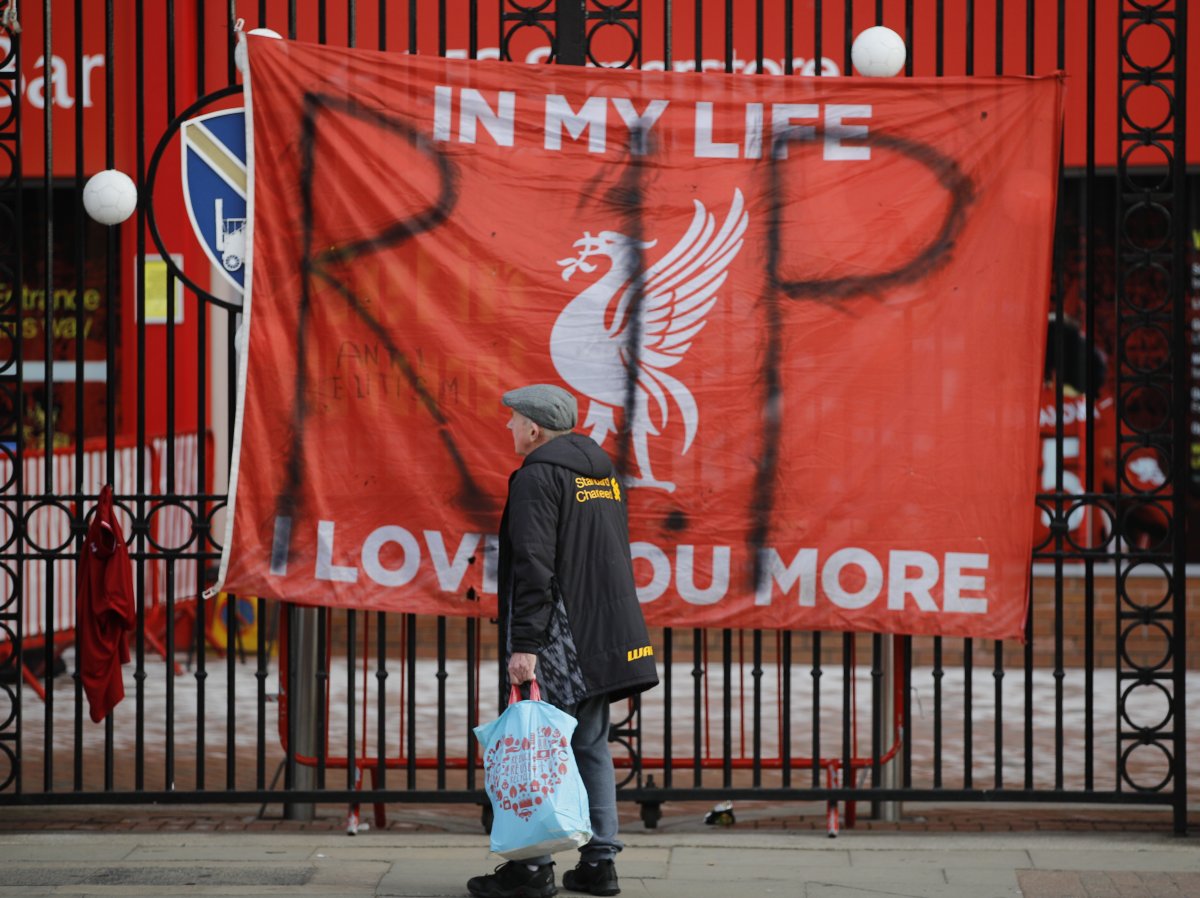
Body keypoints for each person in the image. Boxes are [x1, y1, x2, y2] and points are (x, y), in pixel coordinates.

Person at [468, 384, 659, 898]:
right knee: (590, 744)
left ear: (534, 427)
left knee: (534, 746)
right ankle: (600, 864)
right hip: (601, 631)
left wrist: (526, 644)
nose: (508, 428)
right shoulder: (603, 474)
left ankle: (531, 869)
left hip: (557, 633)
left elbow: (536, 566)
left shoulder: (537, 477)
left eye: (512, 420)